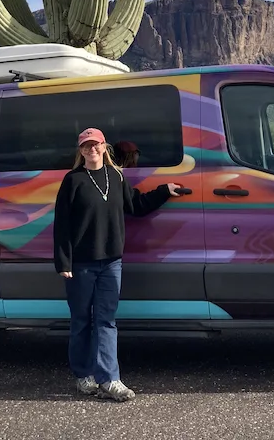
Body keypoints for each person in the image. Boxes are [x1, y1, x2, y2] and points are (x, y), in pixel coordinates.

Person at [53, 127, 183, 401]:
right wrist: (63, 261)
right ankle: (83, 375)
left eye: (96, 144)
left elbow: (136, 205)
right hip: (81, 264)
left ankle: (109, 379)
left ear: (104, 146)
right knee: (80, 322)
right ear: (81, 151)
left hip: (111, 262)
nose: (92, 150)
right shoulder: (72, 180)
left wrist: (164, 191)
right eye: (86, 146)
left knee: (106, 321)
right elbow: (62, 225)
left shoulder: (116, 176)